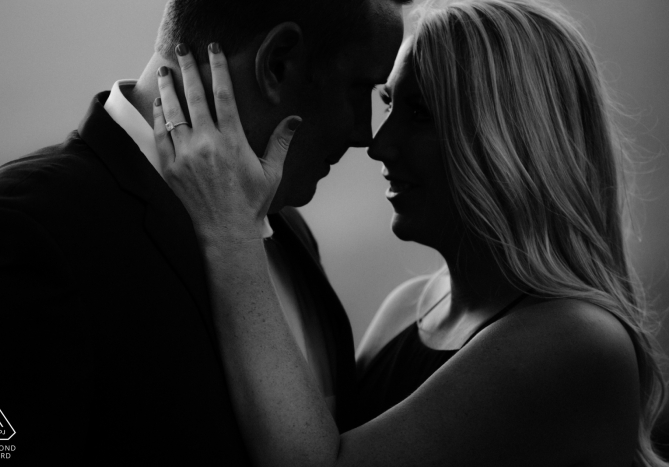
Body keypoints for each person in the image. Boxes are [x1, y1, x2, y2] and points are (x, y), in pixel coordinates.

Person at [155, 0, 669, 465]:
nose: (378, 145)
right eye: (387, 103)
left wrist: (232, 233)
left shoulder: (577, 340)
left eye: (420, 113)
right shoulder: (408, 308)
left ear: (507, 139)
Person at [0, 0, 407, 463]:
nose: (366, 136)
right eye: (360, 89)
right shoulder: (24, 230)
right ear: (277, 63)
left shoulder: (288, 230)